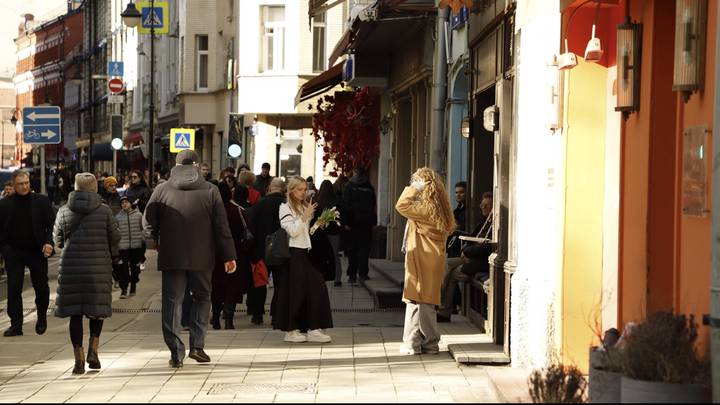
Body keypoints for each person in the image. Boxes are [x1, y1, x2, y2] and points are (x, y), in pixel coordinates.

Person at [143, 150, 236, 368]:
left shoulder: (162, 189)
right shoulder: (211, 190)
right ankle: (197, 346)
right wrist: (229, 255)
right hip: (203, 256)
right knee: (203, 297)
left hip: (171, 255)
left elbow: (148, 221)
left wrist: (155, 240)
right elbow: (222, 227)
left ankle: (176, 352)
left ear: (175, 164)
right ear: (196, 165)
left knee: (172, 302)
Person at [53, 173, 120, 374]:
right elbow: (115, 237)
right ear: (94, 189)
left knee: (75, 314)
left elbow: (57, 240)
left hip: (71, 268)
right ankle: (94, 351)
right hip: (98, 267)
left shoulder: (64, 211)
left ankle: (79, 360)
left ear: (75, 187)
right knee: (96, 310)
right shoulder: (105, 211)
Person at [395, 167, 456, 355]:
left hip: (421, 258)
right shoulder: (438, 209)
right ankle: (416, 342)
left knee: (421, 301)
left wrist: (414, 188)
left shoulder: (424, 209)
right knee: (419, 300)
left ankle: (426, 343)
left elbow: (401, 205)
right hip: (431, 259)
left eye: (417, 182)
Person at [272, 176, 333, 343]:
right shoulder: (284, 208)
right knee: (296, 292)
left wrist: (318, 224)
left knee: (316, 288)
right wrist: (304, 217)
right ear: (291, 190)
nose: (303, 192)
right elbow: (292, 231)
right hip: (293, 254)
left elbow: (306, 233)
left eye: (305, 189)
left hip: (305, 253)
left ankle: (314, 328)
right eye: (299, 189)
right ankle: (291, 330)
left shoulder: (304, 206)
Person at [0, 170, 56, 337]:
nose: (24, 186)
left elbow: (51, 224)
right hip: (15, 251)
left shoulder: (41, 201)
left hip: (36, 250)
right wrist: (6, 249)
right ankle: (16, 325)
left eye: (26, 183)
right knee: (14, 288)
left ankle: (41, 317)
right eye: (20, 184)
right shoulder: (5, 204)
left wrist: (49, 242)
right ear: (13, 185)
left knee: (41, 287)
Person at [437, 192, 494, 322]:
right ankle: (438, 298)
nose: (483, 208)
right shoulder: (484, 221)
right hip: (470, 257)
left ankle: (442, 309)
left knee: (453, 274)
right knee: (445, 263)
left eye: (487, 206)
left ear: (493, 207)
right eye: (482, 205)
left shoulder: (494, 224)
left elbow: (488, 246)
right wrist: (465, 250)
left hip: (479, 261)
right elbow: (473, 238)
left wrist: (468, 251)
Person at [211, 183, 254, 330]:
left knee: (216, 286)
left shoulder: (210, 211)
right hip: (235, 252)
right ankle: (229, 319)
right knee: (232, 285)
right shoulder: (237, 210)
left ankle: (215, 318)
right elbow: (247, 230)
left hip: (215, 252)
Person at [247, 177, 285, 321]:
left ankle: (257, 314)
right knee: (280, 283)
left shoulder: (259, 204)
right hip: (282, 250)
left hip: (261, 249)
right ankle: (276, 313)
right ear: (283, 189)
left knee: (260, 282)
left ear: (269, 188)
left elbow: (251, 225)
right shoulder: (286, 204)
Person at [341, 166, 376, 284]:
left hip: (352, 223)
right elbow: (373, 204)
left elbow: (345, 205)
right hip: (366, 223)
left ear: (354, 173)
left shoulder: (349, 186)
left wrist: (345, 222)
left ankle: (352, 275)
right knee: (364, 248)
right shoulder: (368, 187)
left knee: (352, 250)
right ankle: (363, 273)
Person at [310, 180, 342, 286]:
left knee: (321, 253)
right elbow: (339, 216)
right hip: (333, 232)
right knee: (335, 254)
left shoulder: (317, 201)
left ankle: (322, 274)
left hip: (320, 232)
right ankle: (337, 278)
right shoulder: (336, 201)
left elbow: (313, 217)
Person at [116, 196, 145, 298]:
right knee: (122, 268)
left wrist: (142, 239)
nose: (124, 204)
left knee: (135, 268)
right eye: (122, 202)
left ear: (131, 203)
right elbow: (116, 231)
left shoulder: (139, 215)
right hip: (123, 247)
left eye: (126, 202)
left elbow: (143, 229)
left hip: (136, 246)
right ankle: (124, 289)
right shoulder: (118, 217)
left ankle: (133, 286)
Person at [446, 181, 467, 258]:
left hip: (461, 247)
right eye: (456, 192)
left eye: (461, 192)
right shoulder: (456, 210)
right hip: (451, 246)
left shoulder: (469, 211)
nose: (458, 195)